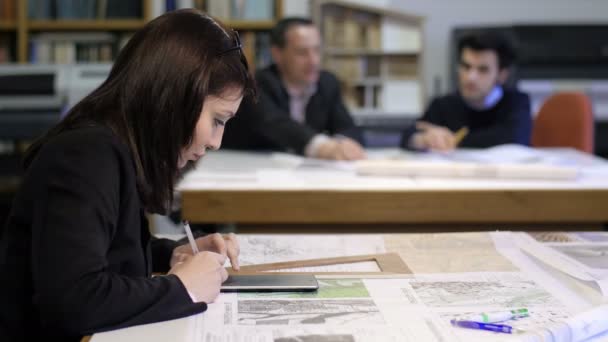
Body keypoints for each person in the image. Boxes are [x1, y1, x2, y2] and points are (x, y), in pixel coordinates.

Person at [0, 9, 255, 341]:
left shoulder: (115, 147)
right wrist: (182, 288)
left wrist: (174, 252)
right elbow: (74, 300)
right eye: (217, 120)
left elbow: (111, 251)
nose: (215, 142)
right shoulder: (85, 156)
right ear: (175, 99)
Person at [222, 17, 366, 160]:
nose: (313, 61)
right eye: (302, 53)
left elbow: (347, 127)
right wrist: (322, 146)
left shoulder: (327, 83)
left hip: (304, 173)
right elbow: (275, 124)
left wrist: (343, 144)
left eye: (316, 50)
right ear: (277, 54)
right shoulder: (257, 83)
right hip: (244, 166)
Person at [401, 32, 532, 151]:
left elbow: (514, 138)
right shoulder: (442, 105)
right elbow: (410, 134)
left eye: (483, 70)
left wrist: (455, 139)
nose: (471, 77)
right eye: (466, 66)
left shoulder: (516, 102)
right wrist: (423, 139)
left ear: (501, 75)